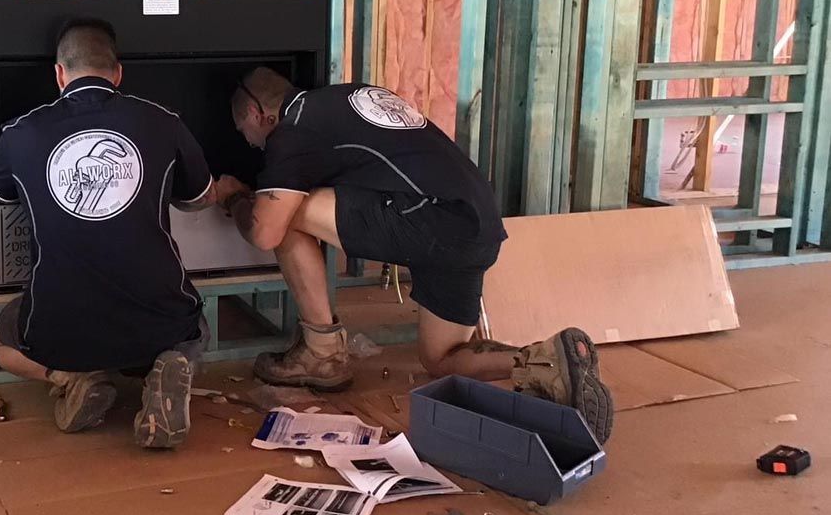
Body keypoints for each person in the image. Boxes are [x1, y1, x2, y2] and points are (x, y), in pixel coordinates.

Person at [214, 68, 614, 443]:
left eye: (242, 129)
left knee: (281, 214)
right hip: (476, 223)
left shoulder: (293, 131)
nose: (248, 141)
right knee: (441, 361)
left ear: (257, 112)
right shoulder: (350, 95)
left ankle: (321, 354)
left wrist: (235, 198)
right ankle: (546, 363)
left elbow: (266, 233)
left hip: (432, 218)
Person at [0, 19, 219, 448]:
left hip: (57, 329)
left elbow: (4, 196)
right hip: (158, 320)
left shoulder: (18, 133)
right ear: (118, 73)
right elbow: (200, 198)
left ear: (59, 74)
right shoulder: (163, 121)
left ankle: (70, 378)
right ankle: (168, 366)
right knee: (195, 326)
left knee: (1, 341)